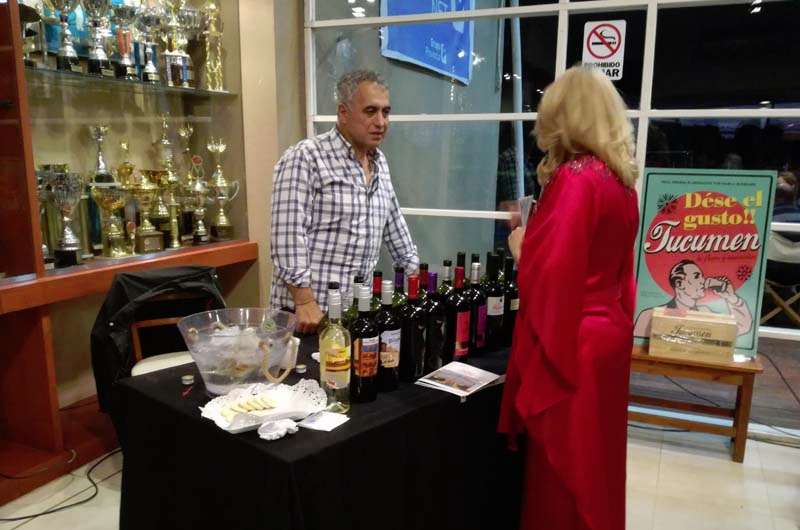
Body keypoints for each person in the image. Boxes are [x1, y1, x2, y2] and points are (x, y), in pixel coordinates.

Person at [500, 66, 640, 530]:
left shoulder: (576, 178)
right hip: (608, 337)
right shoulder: (621, 182)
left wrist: (521, 246)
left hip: (573, 342)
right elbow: (621, 270)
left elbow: (553, 273)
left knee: (564, 472)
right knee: (597, 461)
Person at [269, 70, 419, 333]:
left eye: (385, 112)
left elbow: (394, 226)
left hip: (354, 316)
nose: (381, 122)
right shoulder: (306, 157)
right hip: (306, 319)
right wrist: (304, 301)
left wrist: (416, 276)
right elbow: (287, 235)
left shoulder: (379, 162)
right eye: (370, 111)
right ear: (343, 112)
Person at [633, 259, 753, 339]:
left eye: (702, 276)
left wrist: (732, 298)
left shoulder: (705, 313)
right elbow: (637, 349)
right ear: (679, 284)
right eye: (696, 277)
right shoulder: (649, 315)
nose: (703, 281)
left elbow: (742, 327)